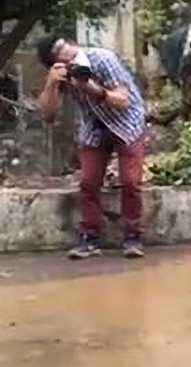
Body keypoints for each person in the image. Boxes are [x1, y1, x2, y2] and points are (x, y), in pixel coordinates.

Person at [36, 36, 148, 259]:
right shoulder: (62, 75)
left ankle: (133, 236)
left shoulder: (102, 59)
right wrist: (52, 83)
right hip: (93, 126)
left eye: (64, 45)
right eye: (58, 53)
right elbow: (48, 116)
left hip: (128, 122)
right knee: (88, 182)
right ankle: (89, 237)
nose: (65, 51)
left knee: (130, 181)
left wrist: (90, 87)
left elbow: (123, 101)